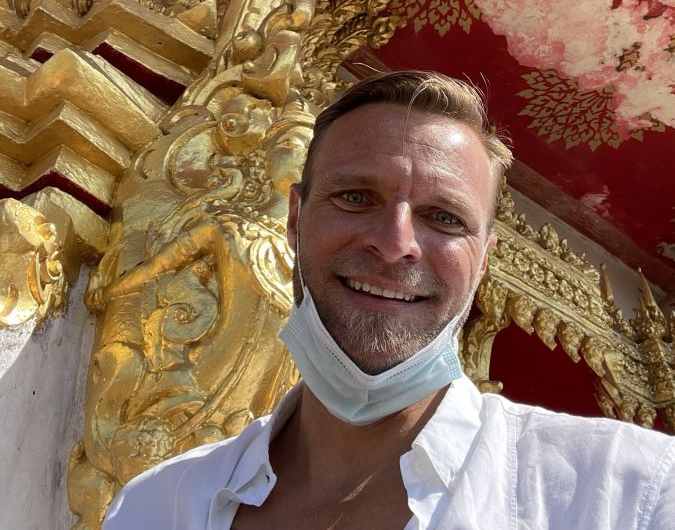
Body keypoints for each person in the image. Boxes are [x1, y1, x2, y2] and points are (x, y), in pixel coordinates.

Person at [103, 71, 674, 529]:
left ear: (483, 259)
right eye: (356, 197)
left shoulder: (627, 493)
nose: (397, 243)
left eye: (444, 218)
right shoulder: (158, 507)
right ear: (295, 220)